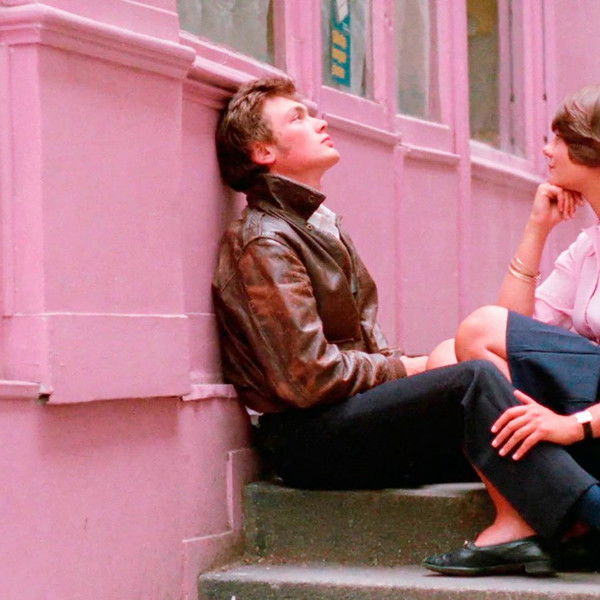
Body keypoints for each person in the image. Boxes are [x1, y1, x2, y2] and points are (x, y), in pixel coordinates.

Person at [212, 76, 564, 576]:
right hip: (309, 441)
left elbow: (368, 346)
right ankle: (528, 528)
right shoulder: (264, 241)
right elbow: (306, 377)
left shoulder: (316, 224)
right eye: (298, 117)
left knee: (479, 376)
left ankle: (565, 520)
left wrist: (418, 367)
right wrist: (410, 369)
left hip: (348, 415)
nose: (319, 121)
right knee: (471, 379)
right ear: (263, 152)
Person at [424, 84, 600, 575]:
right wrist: (537, 229)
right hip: (586, 413)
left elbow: (490, 329)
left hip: (589, 424)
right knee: (450, 361)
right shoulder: (589, 246)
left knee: (475, 334)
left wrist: (575, 425)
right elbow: (515, 332)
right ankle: (519, 519)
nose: (546, 150)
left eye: (558, 138)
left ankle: (553, 513)